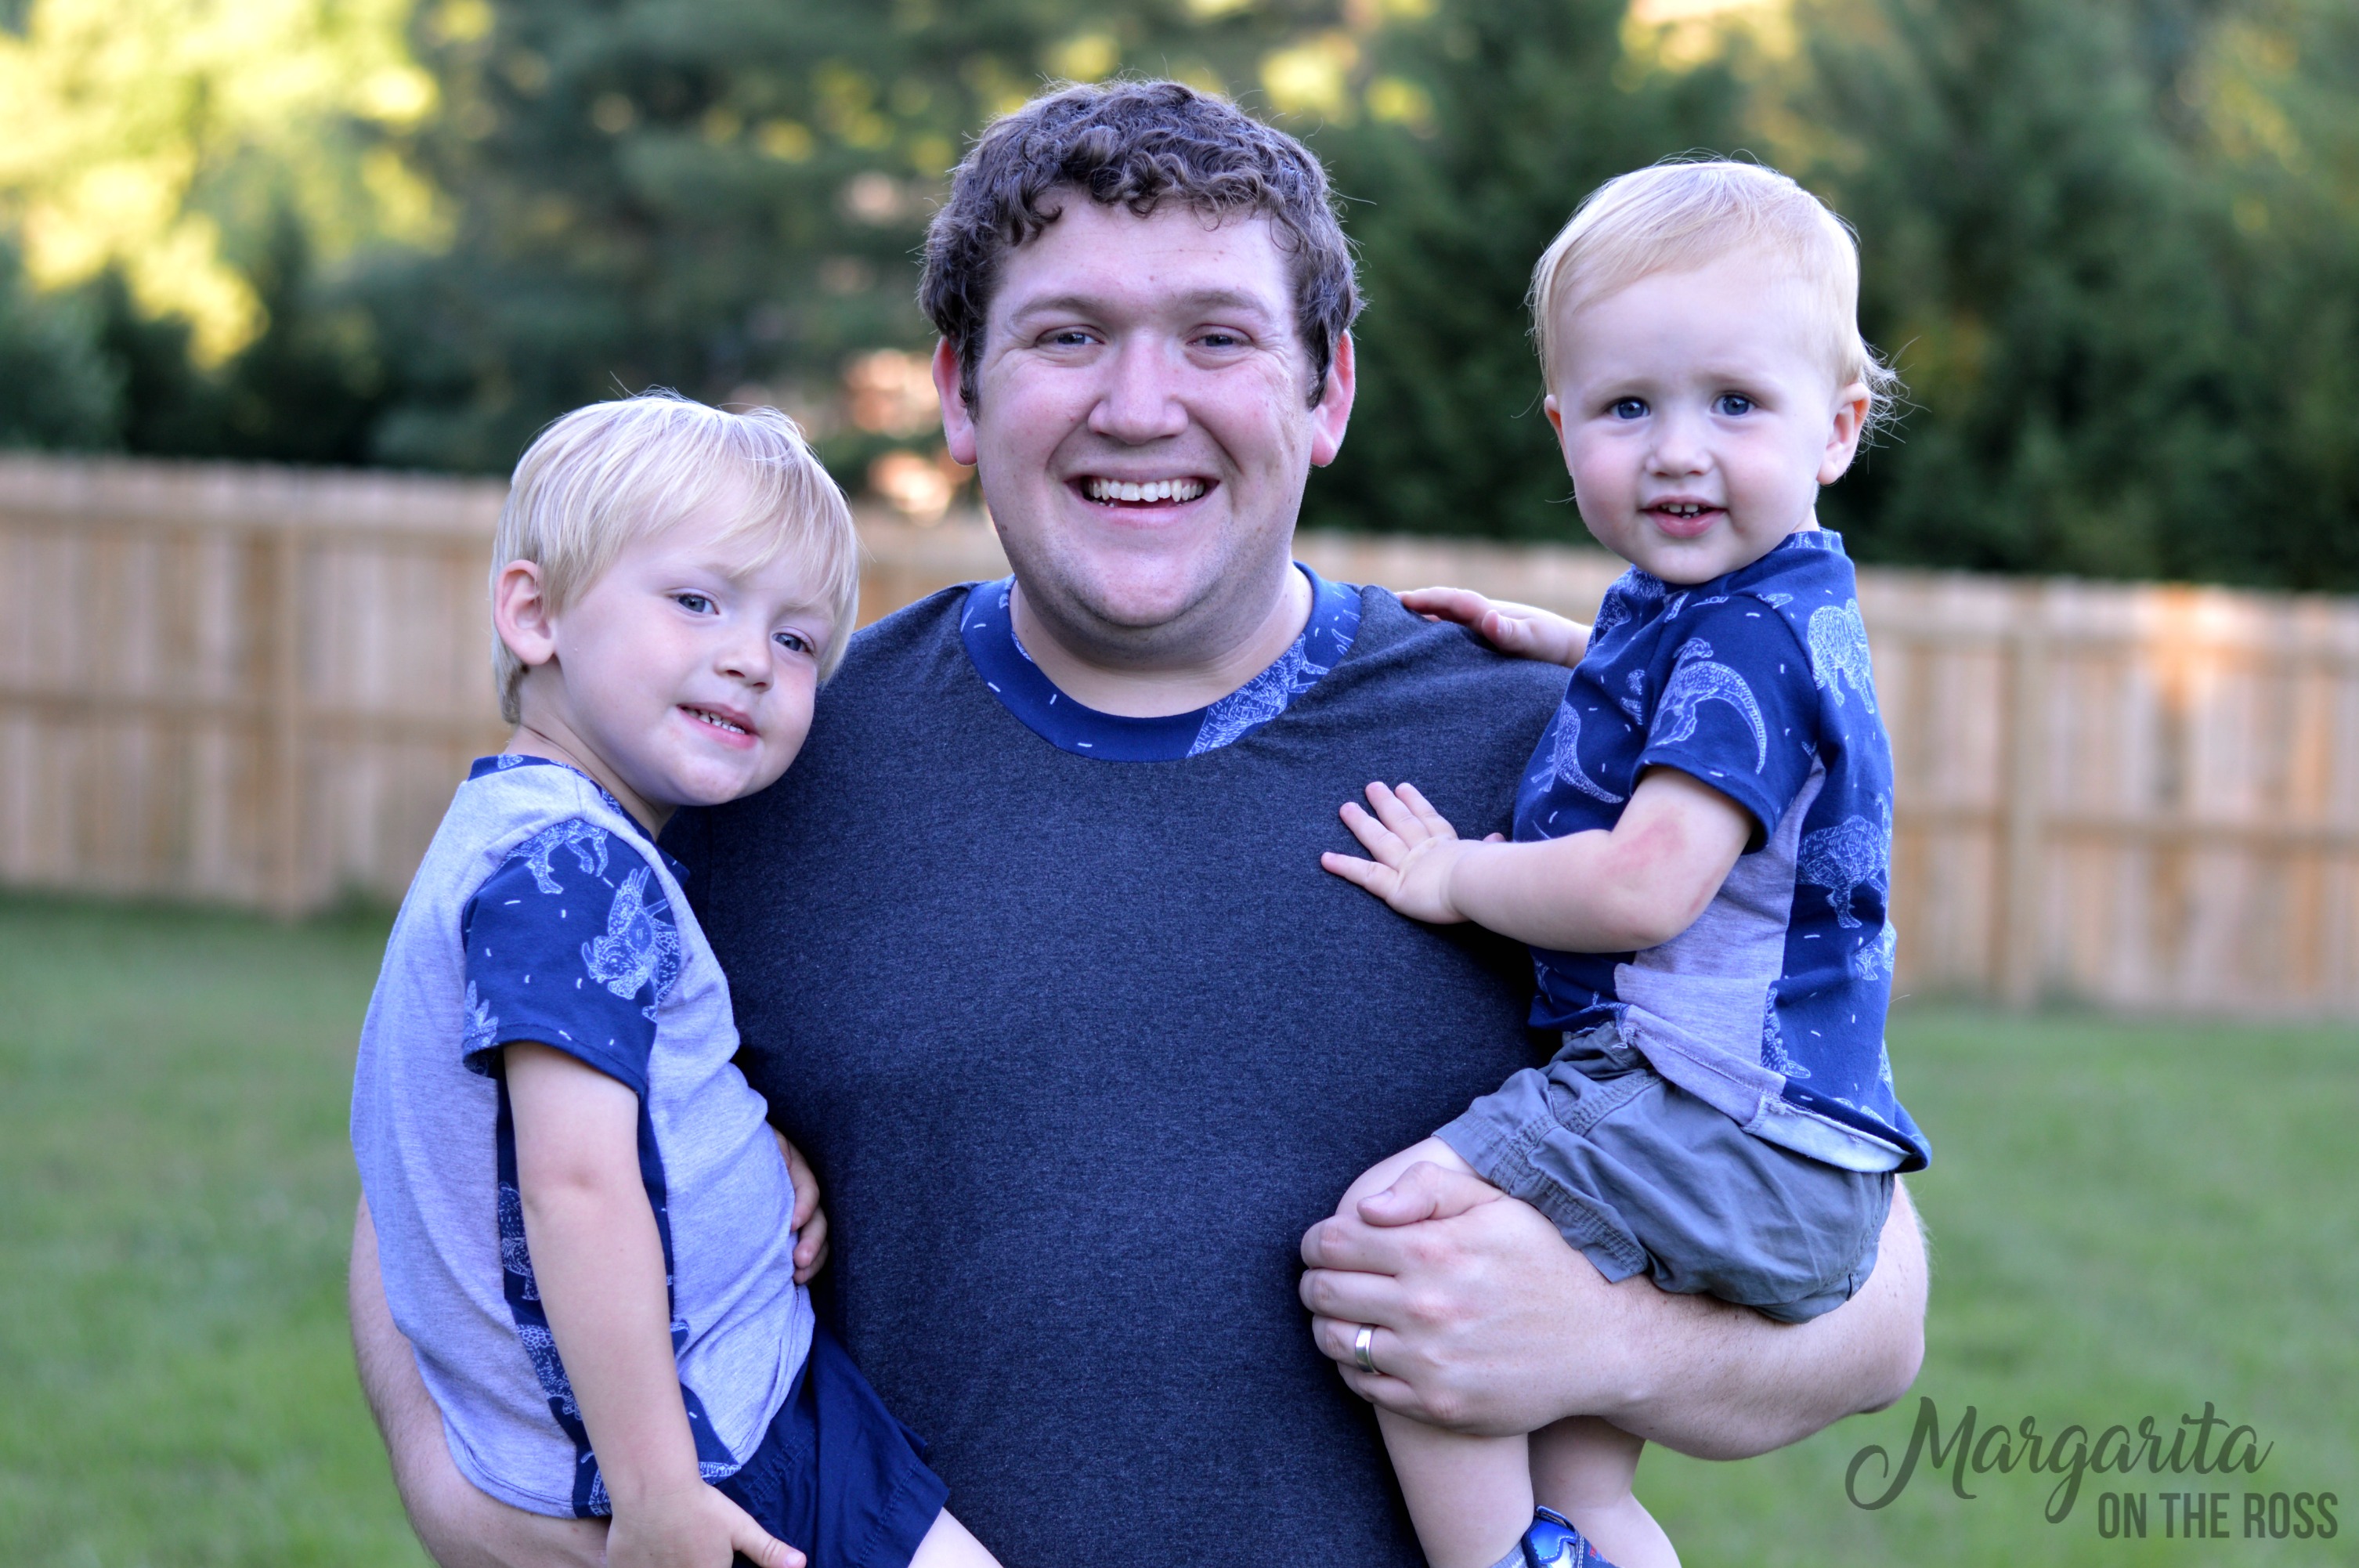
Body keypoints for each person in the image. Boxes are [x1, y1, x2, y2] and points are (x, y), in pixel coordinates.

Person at [349, 83, 1928, 1568]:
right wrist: (466, 1496)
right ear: (961, 392)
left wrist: (1598, 1340)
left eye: (1217, 336)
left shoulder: (1549, 764)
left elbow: (1879, 1297)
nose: (1140, 405)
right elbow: (437, 1177)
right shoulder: (756, 762)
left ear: (1327, 390)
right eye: (1069, 335)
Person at [1318, 161, 1927, 1568]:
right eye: (1628, 408)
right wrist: (1567, 649)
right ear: (1564, 427)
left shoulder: (1743, 641)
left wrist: (1454, 876)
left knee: (1394, 1251)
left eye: (1735, 403)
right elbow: (1704, 699)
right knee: (1583, 1474)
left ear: (1838, 427)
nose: (1678, 450)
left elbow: (1646, 884)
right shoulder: (1738, 609)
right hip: (1778, 1127)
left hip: (1715, 1115)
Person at [349, 393, 999, 1568]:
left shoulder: (523, 837)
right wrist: (656, 1491)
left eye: (797, 640)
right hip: (718, 1451)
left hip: (737, 1406)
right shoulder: (570, 870)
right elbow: (575, 1186)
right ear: (536, 614)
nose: (751, 658)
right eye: (698, 602)